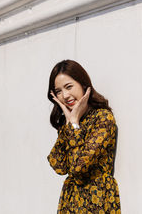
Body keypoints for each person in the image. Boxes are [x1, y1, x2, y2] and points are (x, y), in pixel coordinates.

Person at [47, 60, 121, 214]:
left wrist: (73, 124)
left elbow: (78, 167)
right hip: (71, 201)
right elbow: (58, 165)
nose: (65, 95)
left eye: (68, 87)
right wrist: (70, 122)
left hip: (98, 199)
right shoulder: (70, 122)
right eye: (58, 91)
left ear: (83, 83)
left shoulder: (102, 118)